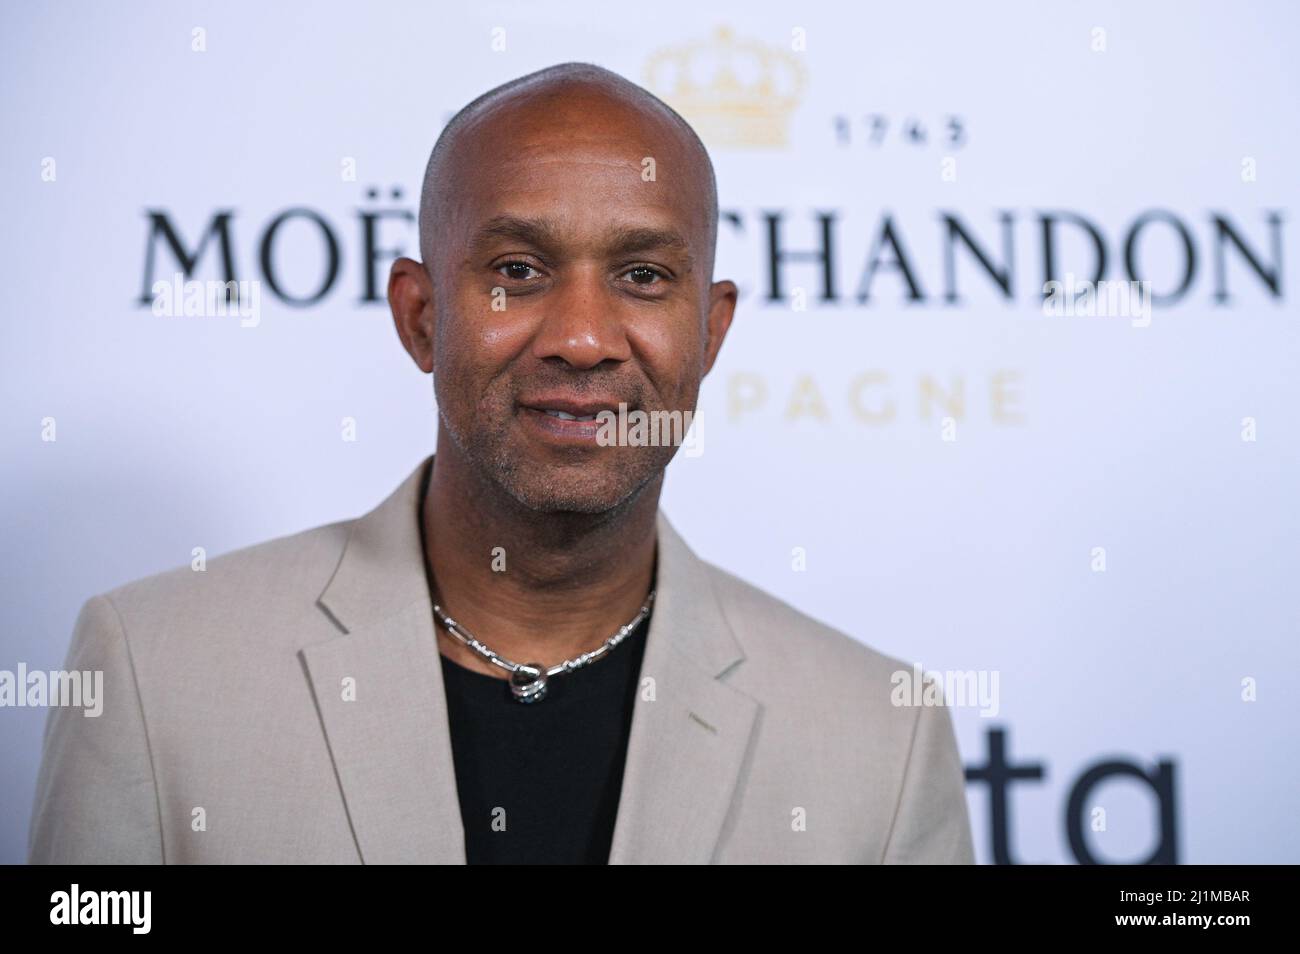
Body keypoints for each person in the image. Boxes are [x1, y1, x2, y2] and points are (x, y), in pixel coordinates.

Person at [28, 62, 975, 864]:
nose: (582, 338)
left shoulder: (880, 742)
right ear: (421, 316)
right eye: (518, 270)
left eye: (643, 276)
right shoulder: (155, 672)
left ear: (711, 332)